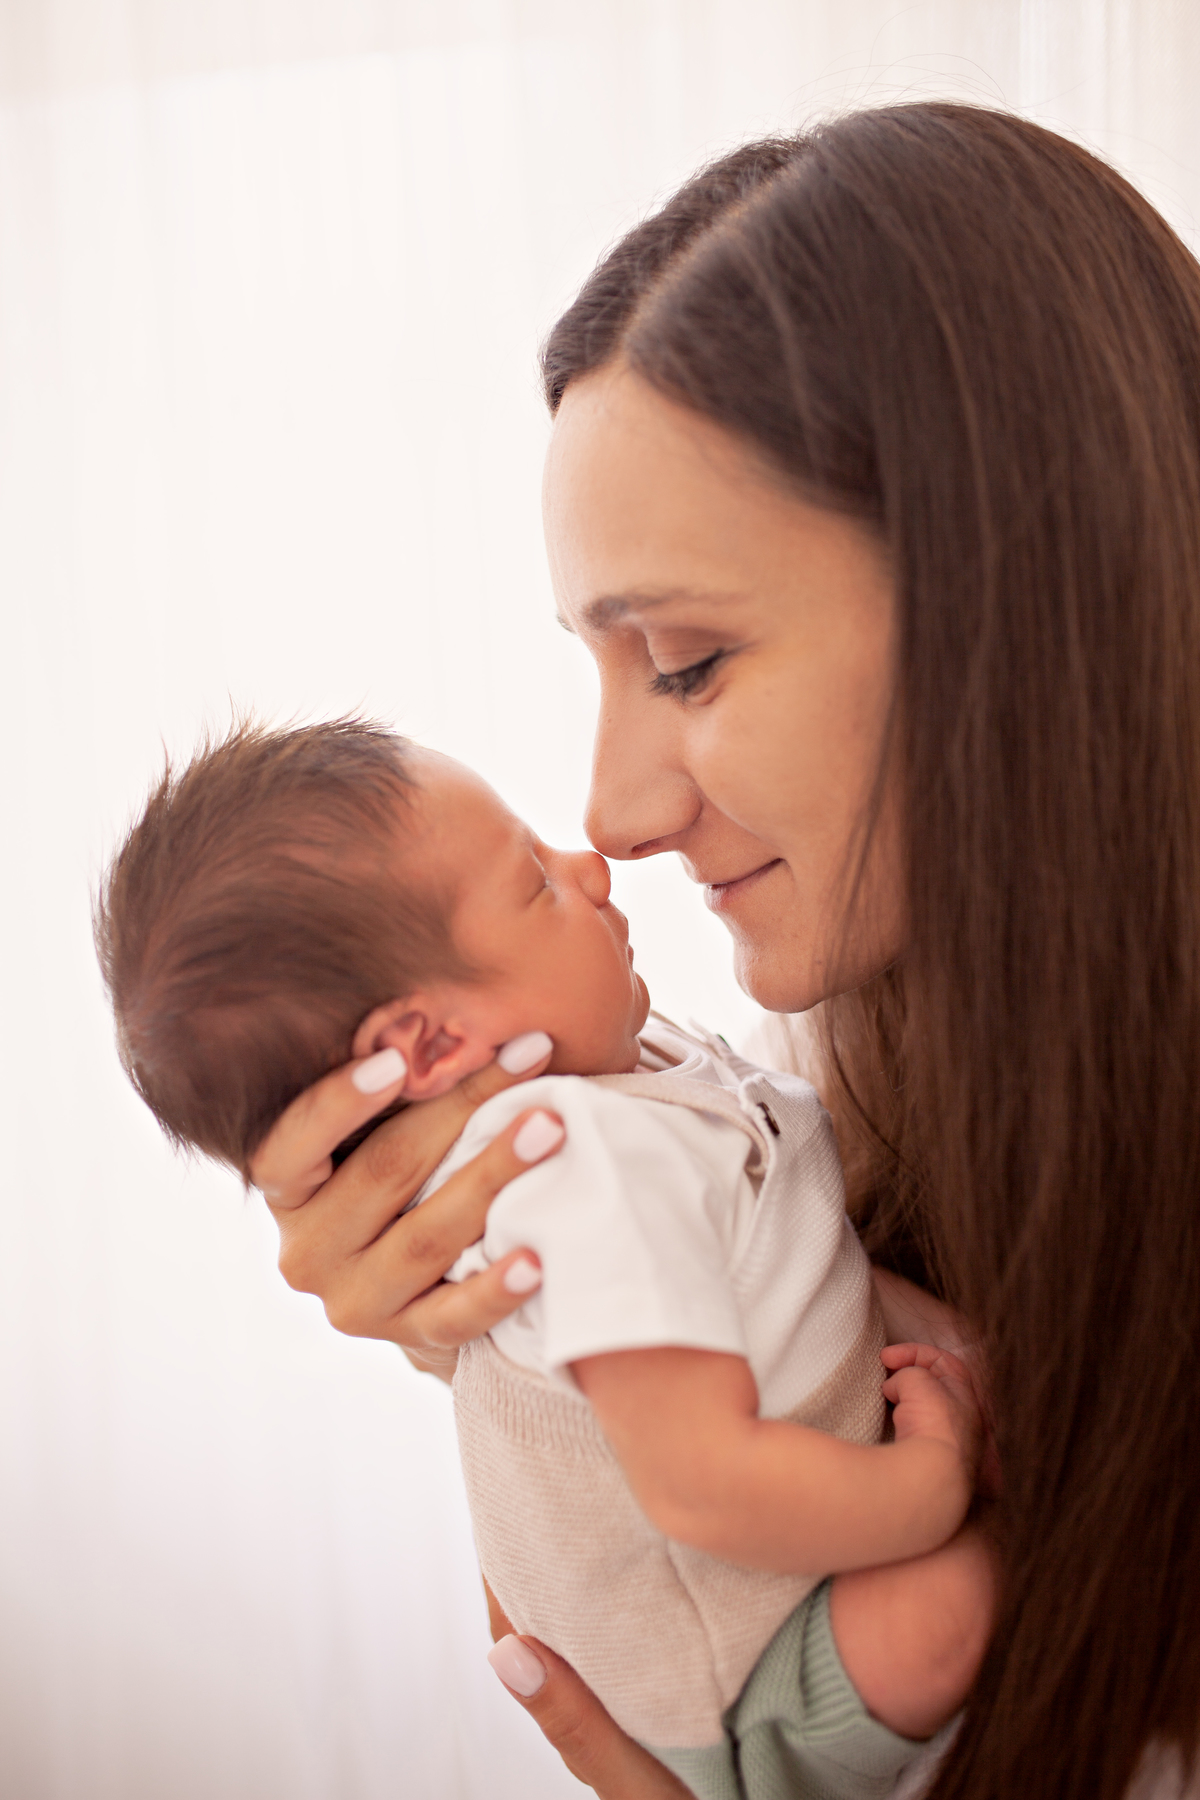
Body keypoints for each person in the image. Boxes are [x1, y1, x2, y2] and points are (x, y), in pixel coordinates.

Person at [245, 104, 1200, 1800]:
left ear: (1025, 598)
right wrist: (451, 1286)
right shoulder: (822, 1087)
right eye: (597, 669)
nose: (607, 813)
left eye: (683, 664)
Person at [95, 717, 989, 1800]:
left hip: (778, 1570)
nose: (594, 862)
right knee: (964, 1598)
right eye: (534, 883)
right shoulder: (574, 1170)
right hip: (750, 1666)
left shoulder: (623, 1078)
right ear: (426, 1046)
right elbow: (704, 1485)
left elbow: (774, 1255)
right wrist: (930, 1487)